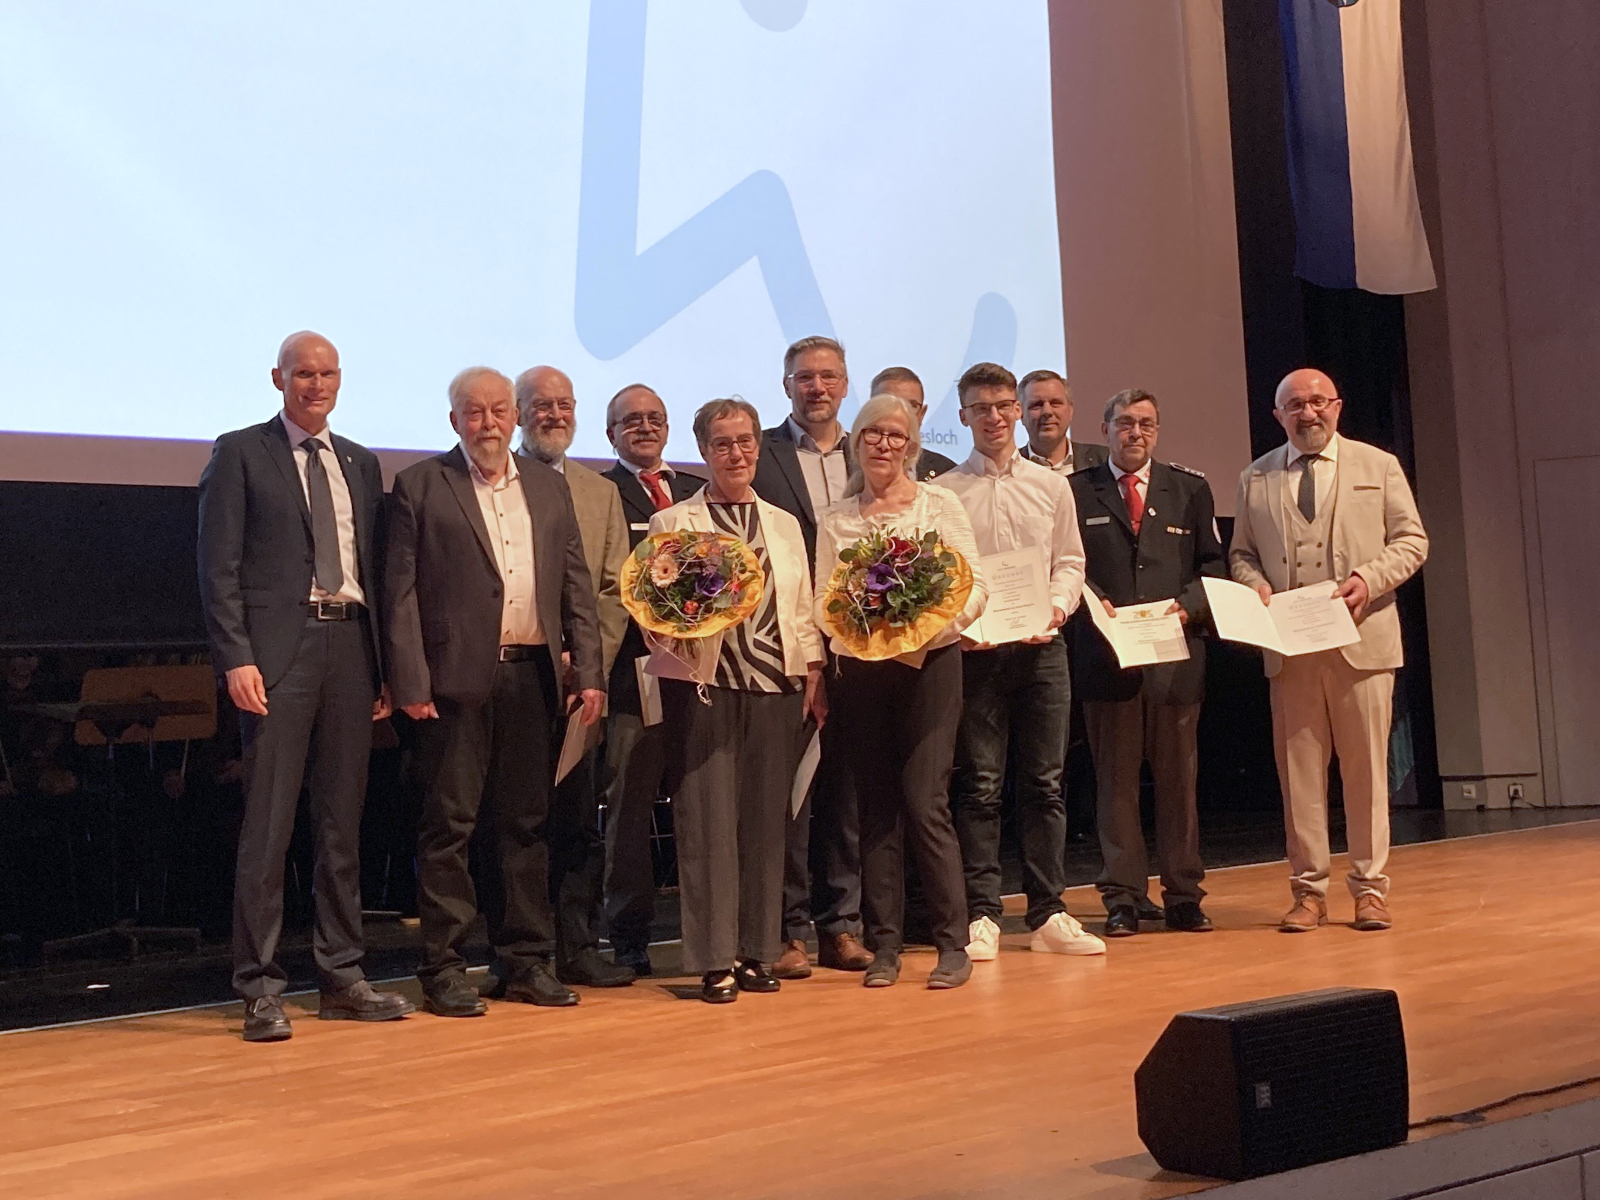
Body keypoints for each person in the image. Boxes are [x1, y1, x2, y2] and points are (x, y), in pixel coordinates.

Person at [197, 330, 412, 1042]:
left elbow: (376, 572)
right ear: (278, 378)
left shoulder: (358, 460)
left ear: (340, 379)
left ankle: (342, 975)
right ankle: (259, 986)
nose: (315, 385)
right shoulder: (241, 452)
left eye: (326, 374)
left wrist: (383, 667)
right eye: (302, 374)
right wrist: (236, 656)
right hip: (279, 654)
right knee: (267, 827)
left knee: (340, 824)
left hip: (350, 647)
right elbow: (218, 565)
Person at [386, 367, 605, 1016]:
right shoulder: (420, 486)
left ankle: (525, 962)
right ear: (454, 420)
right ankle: (445, 968)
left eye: (498, 411)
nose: (488, 424)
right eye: (474, 413)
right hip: (452, 686)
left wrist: (588, 672)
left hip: (532, 678)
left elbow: (575, 584)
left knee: (525, 827)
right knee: (449, 827)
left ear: (515, 417)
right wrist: (408, 680)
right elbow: (399, 596)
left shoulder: (544, 485)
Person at [1230, 369, 1427, 933]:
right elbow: (1241, 554)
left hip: (1363, 644)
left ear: (1337, 407)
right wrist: (1253, 584)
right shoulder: (1255, 477)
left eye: (1318, 402)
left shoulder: (1378, 465)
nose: (1308, 412)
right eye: (1295, 405)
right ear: (1278, 416)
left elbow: (1413, 541)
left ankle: (1370, 889)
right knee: (1299, 777)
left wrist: (1370, 578)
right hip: (1291, 648)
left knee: (1366, 773)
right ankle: (1308, 891)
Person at [646, 398, 826, 1002]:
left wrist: (813, 674)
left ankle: (756, 951)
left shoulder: (782, 522)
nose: (737, 453)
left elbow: (800, 609)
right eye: (723, 443)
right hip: (705, 686)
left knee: (764, 828)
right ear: (703, 452)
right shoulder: (674, 524)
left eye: (746, 441)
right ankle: (714, 959)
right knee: (706, 824)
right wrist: (673, 628)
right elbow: (653, 612)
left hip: (776, 685)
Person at [813, 393, 988, 989]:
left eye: (895, 435)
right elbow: (822, 599)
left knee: (925, 802)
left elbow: (974, 586)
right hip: (861, 672)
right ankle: (884, 947)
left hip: (930, 667)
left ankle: (952, 943)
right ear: (857, 443)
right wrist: (861, 630)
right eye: (872, 435)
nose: (883, 445)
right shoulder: (837, 519)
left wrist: (924, 624)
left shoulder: (940, 505)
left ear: (911, 445)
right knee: (876, 810)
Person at [941, 363, 1103, 961]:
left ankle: (1048, 912)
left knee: (1045, 783)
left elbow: (1070, 563)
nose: (994, 417)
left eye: (1003, 406)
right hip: (978, 654)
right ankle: (982, 913)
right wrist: (965, 627)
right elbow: (945, 578)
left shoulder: (1051, 485)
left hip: (1043, 650)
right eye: (980, 408)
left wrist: (1055, 612)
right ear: (962, 417)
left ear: (1016, 411)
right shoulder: (945, 493)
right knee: (980, 787)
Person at [1071, 388, 1226, 937]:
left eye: (1146, 424)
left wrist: (1187, 610)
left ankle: (1184, 894)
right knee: (1114, 788)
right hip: (1107, 661)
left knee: (1179, 786)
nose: (1135, 433)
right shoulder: (1075, 491)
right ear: (1105, 428)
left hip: (1175, 660)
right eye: (1124, 423)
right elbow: (1066, 566)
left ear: (1156, 431)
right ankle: (1124, 898)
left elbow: (1213, 565)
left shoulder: (1189, 488)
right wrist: (1094, 601)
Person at [505, 365, 634, 988]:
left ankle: (579, 949)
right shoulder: (493, 481)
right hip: (515, 676)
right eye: (539, 405)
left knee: (581, 819)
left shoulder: (599, 490)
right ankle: (518, 955)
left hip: (582, 684)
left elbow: (611, 590)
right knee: (516, 822)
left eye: (564, 404)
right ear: (517, 412)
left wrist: (584, 666)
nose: (553, 415)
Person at [752, 336, 872, 978]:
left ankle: (843, 927)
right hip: (787, 650)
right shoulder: (761, 455)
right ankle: (788, 930)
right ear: (787, 386)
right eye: (804, 377)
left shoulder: (873, 451)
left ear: (846, 384)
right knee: (790, 800)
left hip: (865, 648)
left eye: (828, 376)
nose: (816, 387)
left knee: (846, 797)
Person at [600, 383, 706, 975]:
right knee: (630, 810)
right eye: (630, 420)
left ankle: (708, 931)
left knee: (703, 805)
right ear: (610, 433)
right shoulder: (597, 493)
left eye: (655, 419)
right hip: (629, 677)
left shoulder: (696, 493)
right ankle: (629, 937)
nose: (644, 427)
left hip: (702, 675)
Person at [869, 366, 957, 480]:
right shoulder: (846, 465)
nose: (900, 413)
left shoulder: (946, 473)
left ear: (922, 414)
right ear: (870, 410)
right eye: (889, 404)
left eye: (911, 405)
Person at [1020, 370, 1108, 475]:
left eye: (1055, 403)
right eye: (1037, 405)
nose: (1047, 411)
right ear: (1021, 414)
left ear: (1070, 411)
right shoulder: (1007, 468)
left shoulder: (1105, 460)